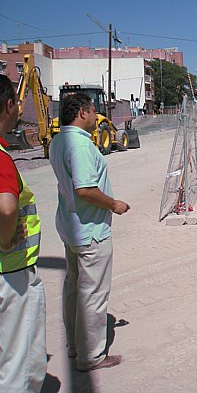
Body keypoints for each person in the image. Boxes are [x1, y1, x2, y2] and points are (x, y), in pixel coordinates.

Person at [49, 93, 130, 371]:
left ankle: (74, 346)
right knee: (92, 294)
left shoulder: (58, 140)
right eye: (94, 111)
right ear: (82, 112)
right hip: (91, 230)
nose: (96, 116)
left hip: (72, 228)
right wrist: (113, 204)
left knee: (74, 288)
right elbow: (84, 189)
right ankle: (92, 356)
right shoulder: (81, 146)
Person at [0, 74, 47, 392]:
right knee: (20, 366)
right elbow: (7, 208)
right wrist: (5, 241)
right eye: (17, 102)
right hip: (12, 273)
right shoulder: (2, 160)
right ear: (8, 106)